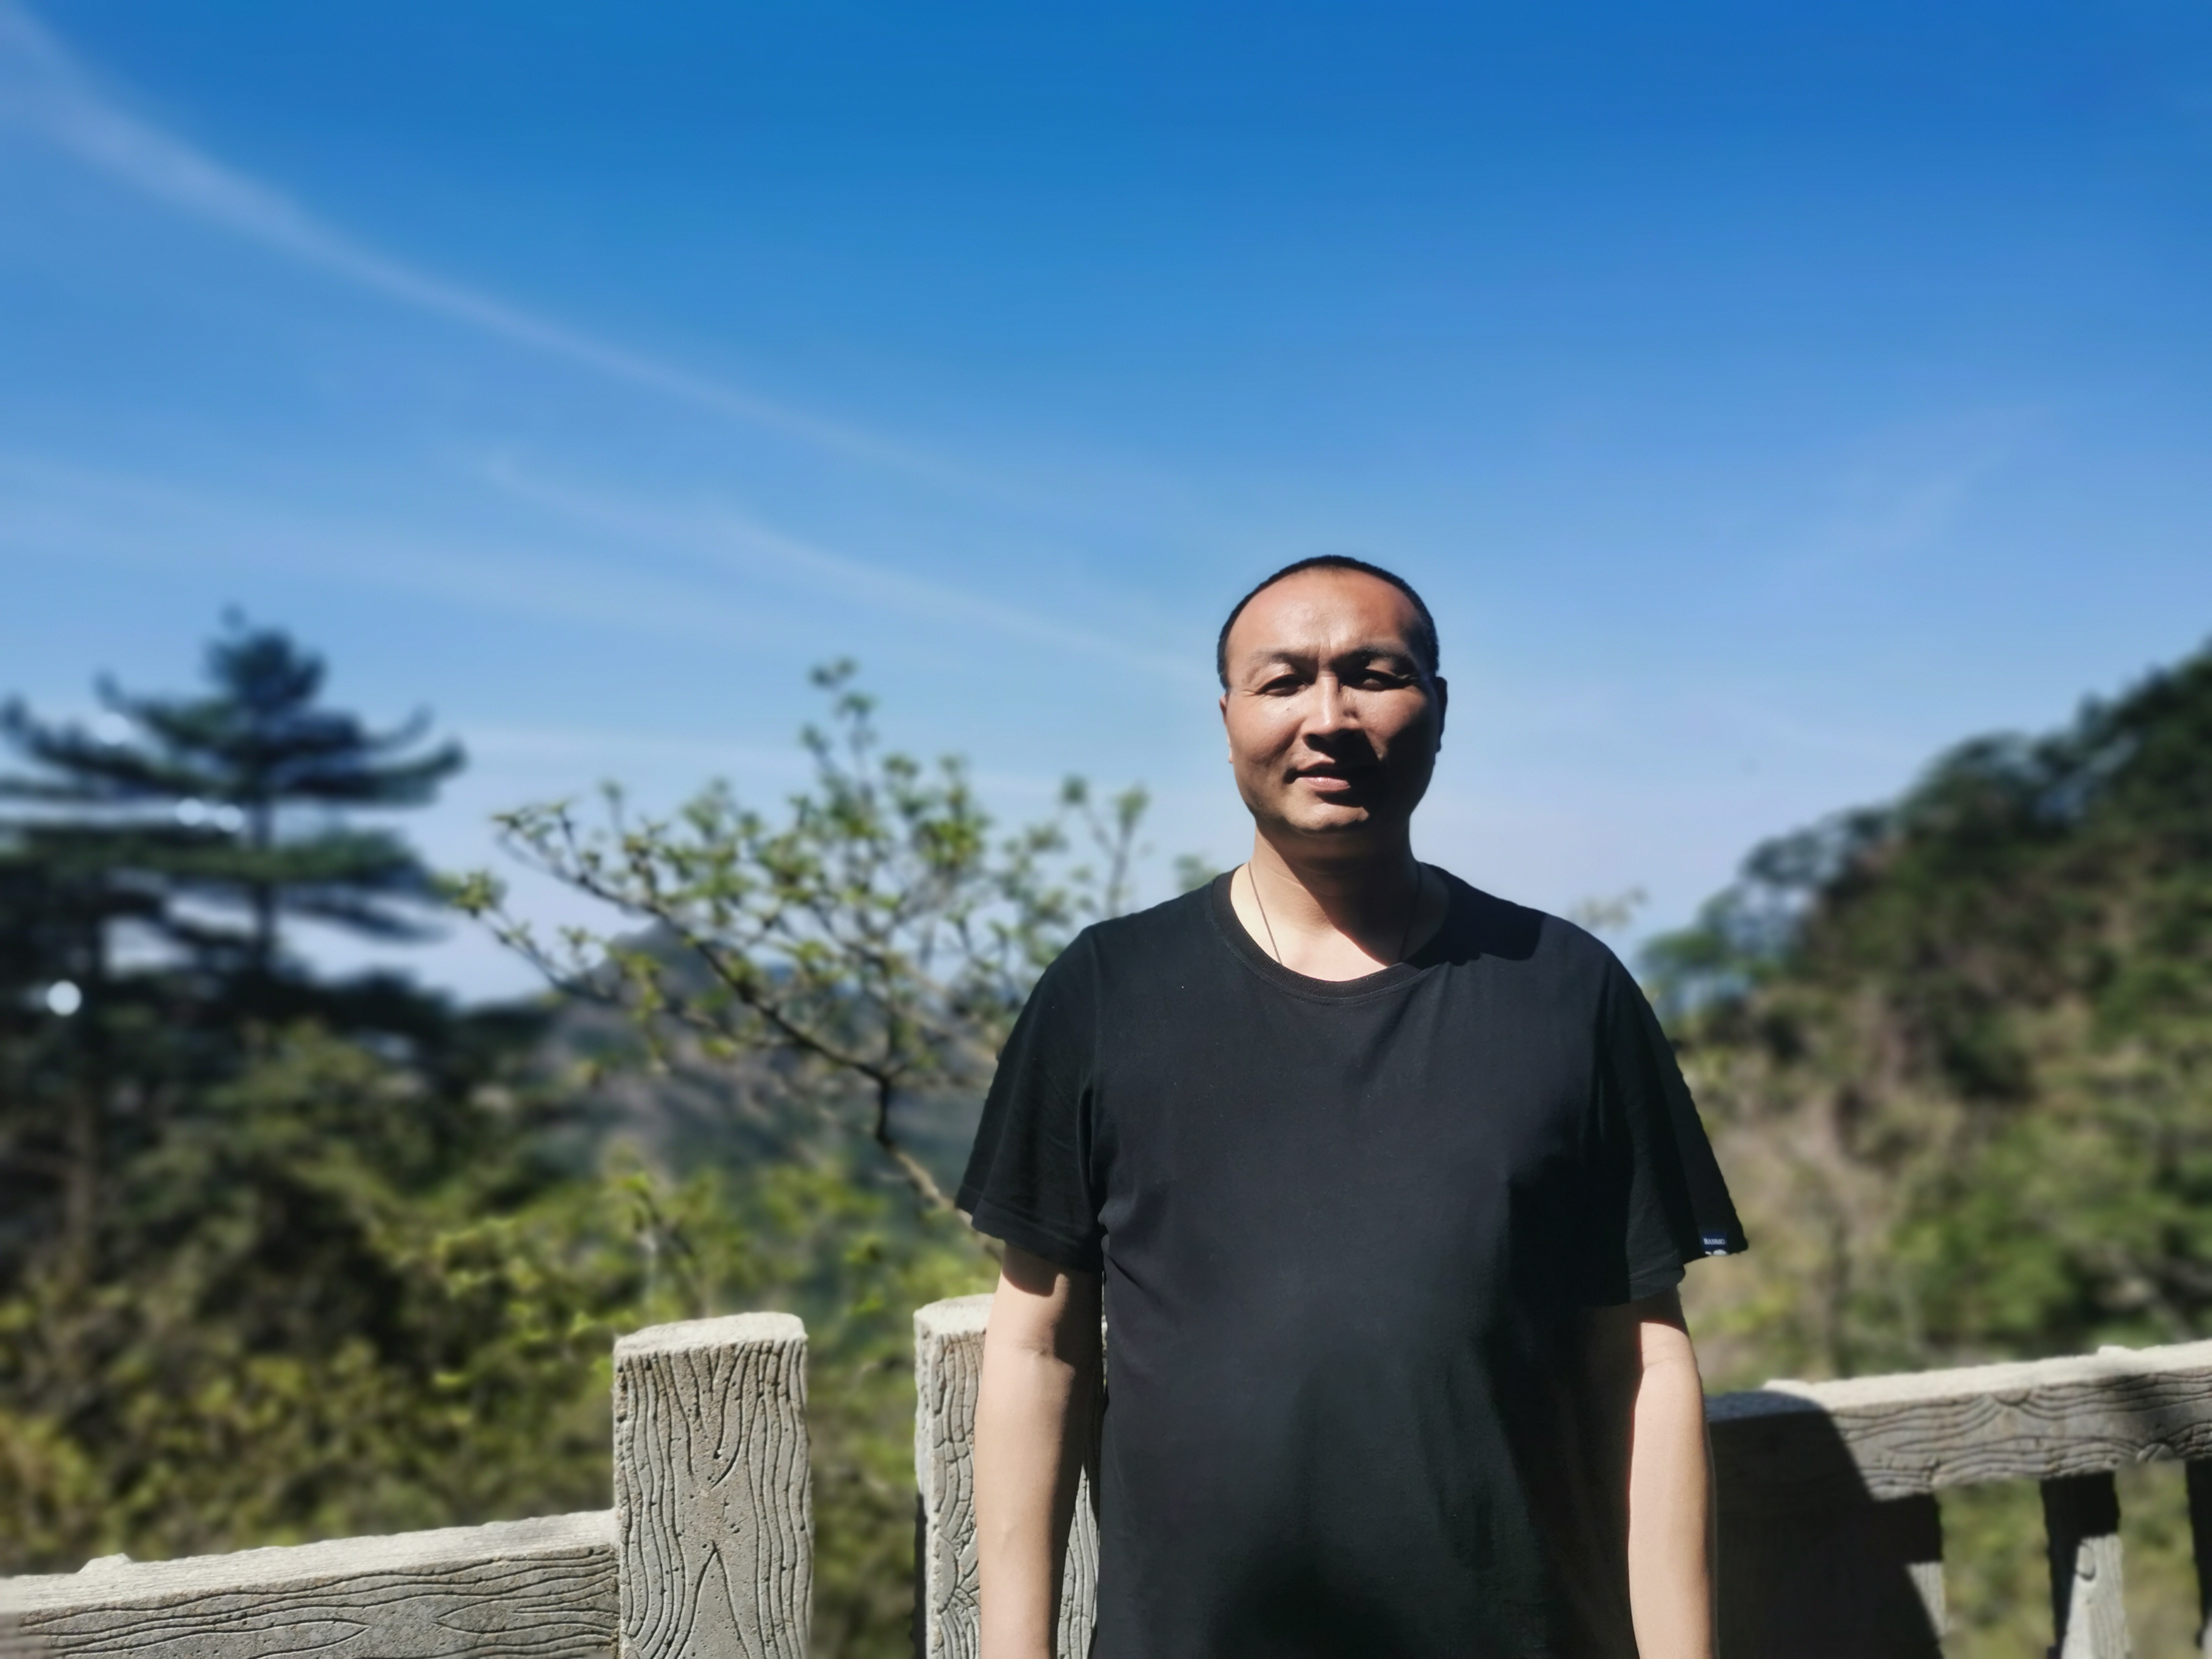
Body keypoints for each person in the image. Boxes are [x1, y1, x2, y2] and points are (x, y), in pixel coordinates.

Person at [961, 556, 1744, 1659]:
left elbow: (1644, 1360)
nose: (1327, 719)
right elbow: (1036, 1347)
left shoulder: (1567, 990)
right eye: (1284, 682)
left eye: (1373, 675)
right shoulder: (1106, 991)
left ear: (1438, 708)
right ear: (1228, 721)